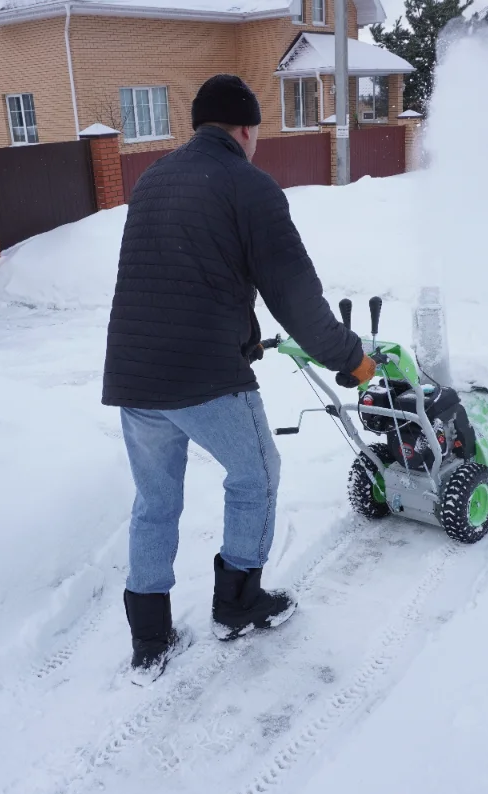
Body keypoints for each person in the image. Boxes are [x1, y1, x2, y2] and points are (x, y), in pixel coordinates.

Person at [102, 74, 376, 685]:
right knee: (257, 475)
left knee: (155, 502)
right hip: (203, 374)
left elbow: (181, 275)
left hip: (133, 376)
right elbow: (297, 298)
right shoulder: (249, 185)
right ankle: (238, 604)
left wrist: (244, 333)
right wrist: (351, 359)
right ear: (247, 129)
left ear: (199, 125)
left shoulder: (154, 178)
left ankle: (149, 638)